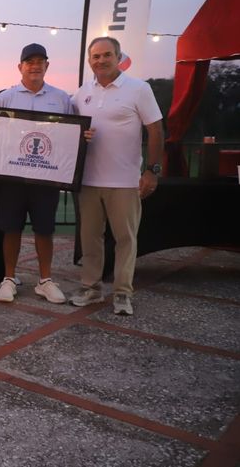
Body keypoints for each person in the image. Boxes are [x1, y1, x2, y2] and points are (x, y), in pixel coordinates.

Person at [70, 36, 164, 316]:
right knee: (90, 239)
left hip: (124, 180)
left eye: (106, 55)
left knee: (125, 239)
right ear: (89, 61)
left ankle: (122, 293)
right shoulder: (81, 93)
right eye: (95, 56)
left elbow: (156, 131)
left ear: (119, 56)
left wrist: (152, 170)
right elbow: (69, 130)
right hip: (88, 180)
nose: (101, 61)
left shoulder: (138, 89)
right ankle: (91, 287)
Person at [0, 44, 70, 304]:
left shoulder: (61, 98)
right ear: (20, 67)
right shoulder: (6, 97)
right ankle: (9, 278)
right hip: (12, 177)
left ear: (47, 65)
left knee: (44, 229)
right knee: (11, 228)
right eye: (29, 61)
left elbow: (70, 136)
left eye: (40, 61)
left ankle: (45, 280)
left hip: (45, 177)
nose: (34, 66)